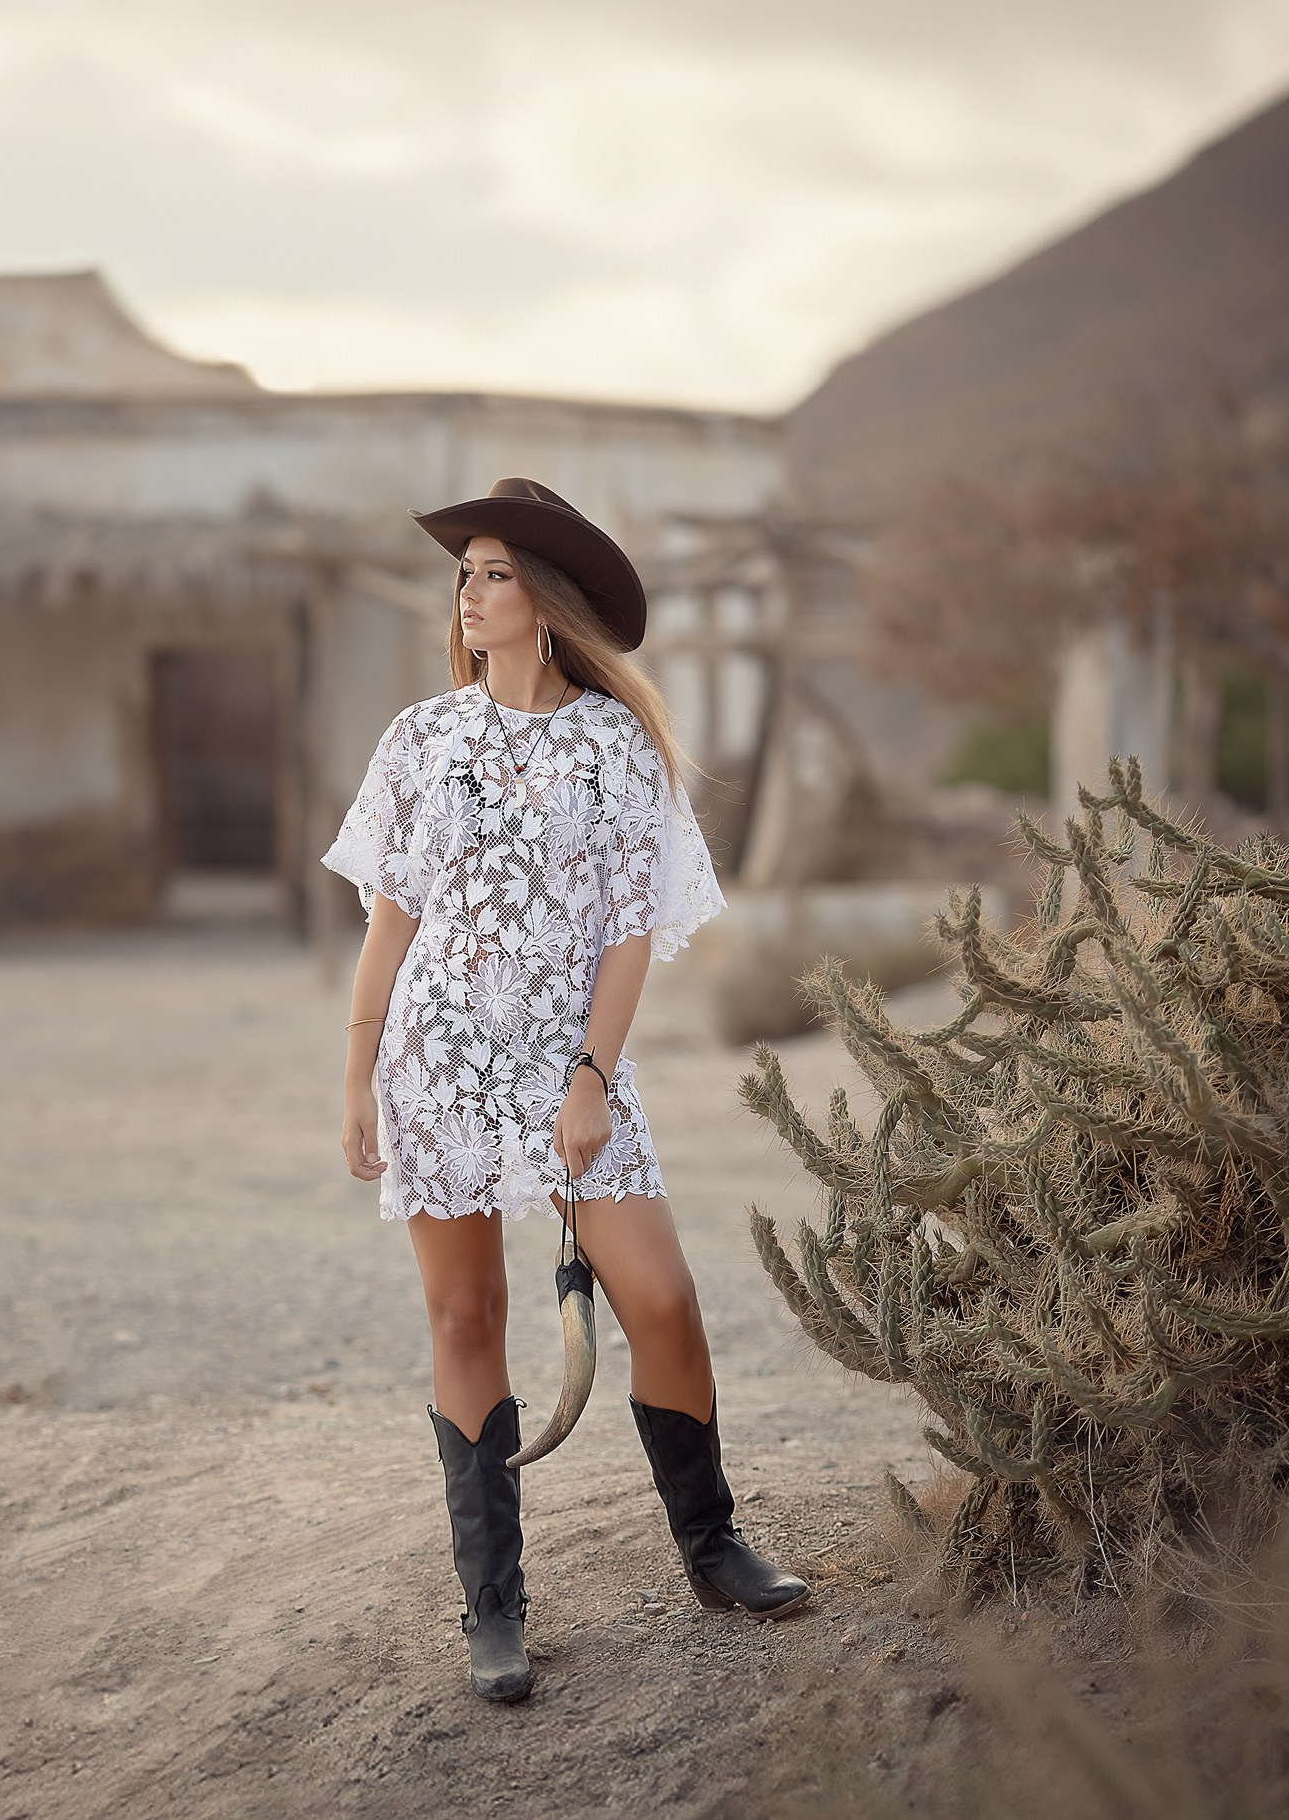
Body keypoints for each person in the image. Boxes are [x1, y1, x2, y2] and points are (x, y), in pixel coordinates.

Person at [325, 476, 808, 1704]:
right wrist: (358, 1074)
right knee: (465, 1318)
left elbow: (630, 930)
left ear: (543, 597)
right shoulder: (421, 740)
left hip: (570, 1069)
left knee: (664, 1296)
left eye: (492, 570)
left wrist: (593, 1073)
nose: (470, 592)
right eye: (466, 573)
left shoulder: (614, 748)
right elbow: (393, 920)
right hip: (436, 1058)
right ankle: (495, 1609)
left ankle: (713, 1546)